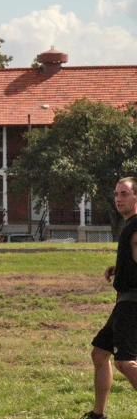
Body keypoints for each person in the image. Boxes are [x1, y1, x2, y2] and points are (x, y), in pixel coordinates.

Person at [83, 177, 137, 419]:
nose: (118, 198)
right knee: (100, 353)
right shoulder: (129, 225)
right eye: (116, 194)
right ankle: (98, 415)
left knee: (125, 363)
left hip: (133, 303)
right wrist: (120, 269)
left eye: (125, 194)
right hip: (124, 301)